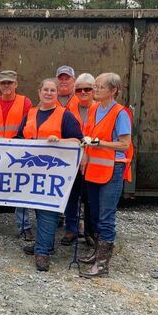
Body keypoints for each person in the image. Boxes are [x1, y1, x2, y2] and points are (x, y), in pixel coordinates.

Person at [19, 78, 83, 272]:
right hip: (33, 173)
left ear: (57, 94)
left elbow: (78, 140)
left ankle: (42, 252)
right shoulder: (30, 114)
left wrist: (61, 140)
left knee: (47, 210)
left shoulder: (65, 115)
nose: (48, 93)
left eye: (52, 90)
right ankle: (45, 243)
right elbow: (19, 138)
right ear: (39, 92)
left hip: (54, 175)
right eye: (45, 89)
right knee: (37, 208)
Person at [79, 72, 132, 278]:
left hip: (112, 169)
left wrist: (100, 144)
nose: (95, 90)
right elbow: (88, 136)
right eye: (95, 86)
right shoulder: (93, 109)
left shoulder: (120, 114)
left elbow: (125, 144)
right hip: (94, 169)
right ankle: (96, 253)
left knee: (106, 217)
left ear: (113, 90)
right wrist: (85, 154)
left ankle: (102, 264)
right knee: (94, 214)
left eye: (100, 87)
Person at [0, 70, 34, 240]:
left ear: (16, 84)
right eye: (3, 83)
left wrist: (13, 144)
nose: (6, 86)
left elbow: (29, 126)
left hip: (18, 152)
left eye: (10, 82)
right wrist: (4, 143)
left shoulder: (25, 102)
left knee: (20, 188)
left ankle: (24, 226)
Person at [61, 73, 97, 247]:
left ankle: (90, 231)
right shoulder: (69, 109)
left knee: (90, 198)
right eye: (79, 89)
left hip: (95, 161)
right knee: (71, 195)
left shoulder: (100, 109)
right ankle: (71, 229)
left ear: (94, 90)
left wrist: (87, 150)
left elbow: (99, 138)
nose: (83, 92)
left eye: (87, 89)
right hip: (72, 160)